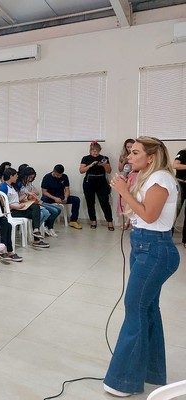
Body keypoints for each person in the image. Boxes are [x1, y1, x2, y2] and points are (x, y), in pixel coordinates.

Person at [104, 136, 180, 397]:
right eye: (129, 153)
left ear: (151, 157)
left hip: (156, 250)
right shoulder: (149, 178)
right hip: (143, 244)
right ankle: (151, 372)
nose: (128, 158)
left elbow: (150, 215)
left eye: (134, 153)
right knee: (147, 310)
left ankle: (122, 381)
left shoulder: (161, 179)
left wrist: (125, 192)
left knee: (135, 310)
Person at [0, 168, 49, 248]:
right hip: (11, 211)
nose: (17, 177)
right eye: (15, 176)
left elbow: (16, 199)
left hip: (18, 207)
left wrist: (27, 195)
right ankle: (36, 239)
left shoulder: (12, 186)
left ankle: (36, 231)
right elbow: (2, 203)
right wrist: (16, 206)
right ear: (11, 176)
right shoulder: (3, 187)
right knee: (35, 213)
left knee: (36, 207)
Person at [80, 141, 114, 230]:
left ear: (99, 150)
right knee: (90, 202)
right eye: (93, 151)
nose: (95, 153)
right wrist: (90, 165)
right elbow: (81, 170)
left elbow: (109, 171)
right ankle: (93, 221)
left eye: (97, 151)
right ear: (90, 150)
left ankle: (110, 222)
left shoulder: (104, 158)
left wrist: (104, 165)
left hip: (101, 181)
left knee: (104, 202)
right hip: (89, 181)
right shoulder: (86, 158)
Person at [41, 164, 82, 229]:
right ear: (53, 171)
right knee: (43, 199)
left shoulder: (65, 177)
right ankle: (46, 221)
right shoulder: (47, 177)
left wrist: (66, 198)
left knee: (76, 199)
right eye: (57, 175)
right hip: (50, 197)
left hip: (61, 197)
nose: (58, 177)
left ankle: (73, 221)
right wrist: (55, 198)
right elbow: (44, 192)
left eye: (60, 175)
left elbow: (67, 189)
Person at [174, 145, 186, 247]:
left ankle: (185, 240)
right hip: (181, 185)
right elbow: (176, 165)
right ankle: (167, 237)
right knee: (175, 211)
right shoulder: (182, 153)